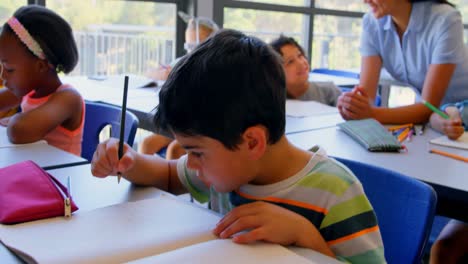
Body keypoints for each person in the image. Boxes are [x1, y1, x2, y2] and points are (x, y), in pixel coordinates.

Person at [91, 29, 385, 262]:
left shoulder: (335, 193)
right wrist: (128, 161)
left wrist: (304, 234)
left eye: (196, 152)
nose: (190, 164)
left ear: (252, 141)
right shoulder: (231, 166)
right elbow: (168, 175)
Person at [337, 0, 468, 124]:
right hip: (435, 120)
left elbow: (428, 106)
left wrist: (371, 113)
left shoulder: (445, 19)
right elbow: (366, 96)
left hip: (461, 114)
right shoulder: (372, 23)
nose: (365, 1)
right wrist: (351, 105)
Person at [0, 5, 84, 156]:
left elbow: (19, 131)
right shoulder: (29, 89)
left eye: (9, 69)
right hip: (33, 173)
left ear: (40, 66)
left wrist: (13, 120)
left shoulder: (68, 99)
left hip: (59, 178)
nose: (3, 76)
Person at [140, 12, 219, 159]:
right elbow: (154, 72)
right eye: (188, 45)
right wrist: (166, 73)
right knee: (146, 144)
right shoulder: (183, 62)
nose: (191, 50)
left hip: (201, 126)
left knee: (174, 150)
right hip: (182, 122)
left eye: (196, 45)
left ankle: (174, 180)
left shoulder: (214, 67)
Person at [270, 35, 341, 106]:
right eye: (290, 61)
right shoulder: (271, 99)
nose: (301, 63)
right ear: (277, 73)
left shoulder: (329, 91)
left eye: (300, 55)